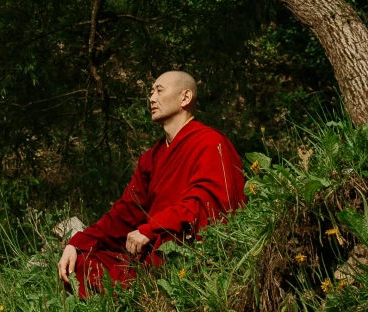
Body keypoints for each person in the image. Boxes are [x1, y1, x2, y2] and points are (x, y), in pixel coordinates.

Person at [56, 70, 246, 294]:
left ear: (185, 97)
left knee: (164, 250)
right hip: (153, 248)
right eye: (151, 92)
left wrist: (153, 228)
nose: (151, 98)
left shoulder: (210, 142)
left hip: (188, 249)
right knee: (82, 262)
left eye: (159, 91)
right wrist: (78, 242)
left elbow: (207, 203)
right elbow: (125, 212)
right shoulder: (151, 158)